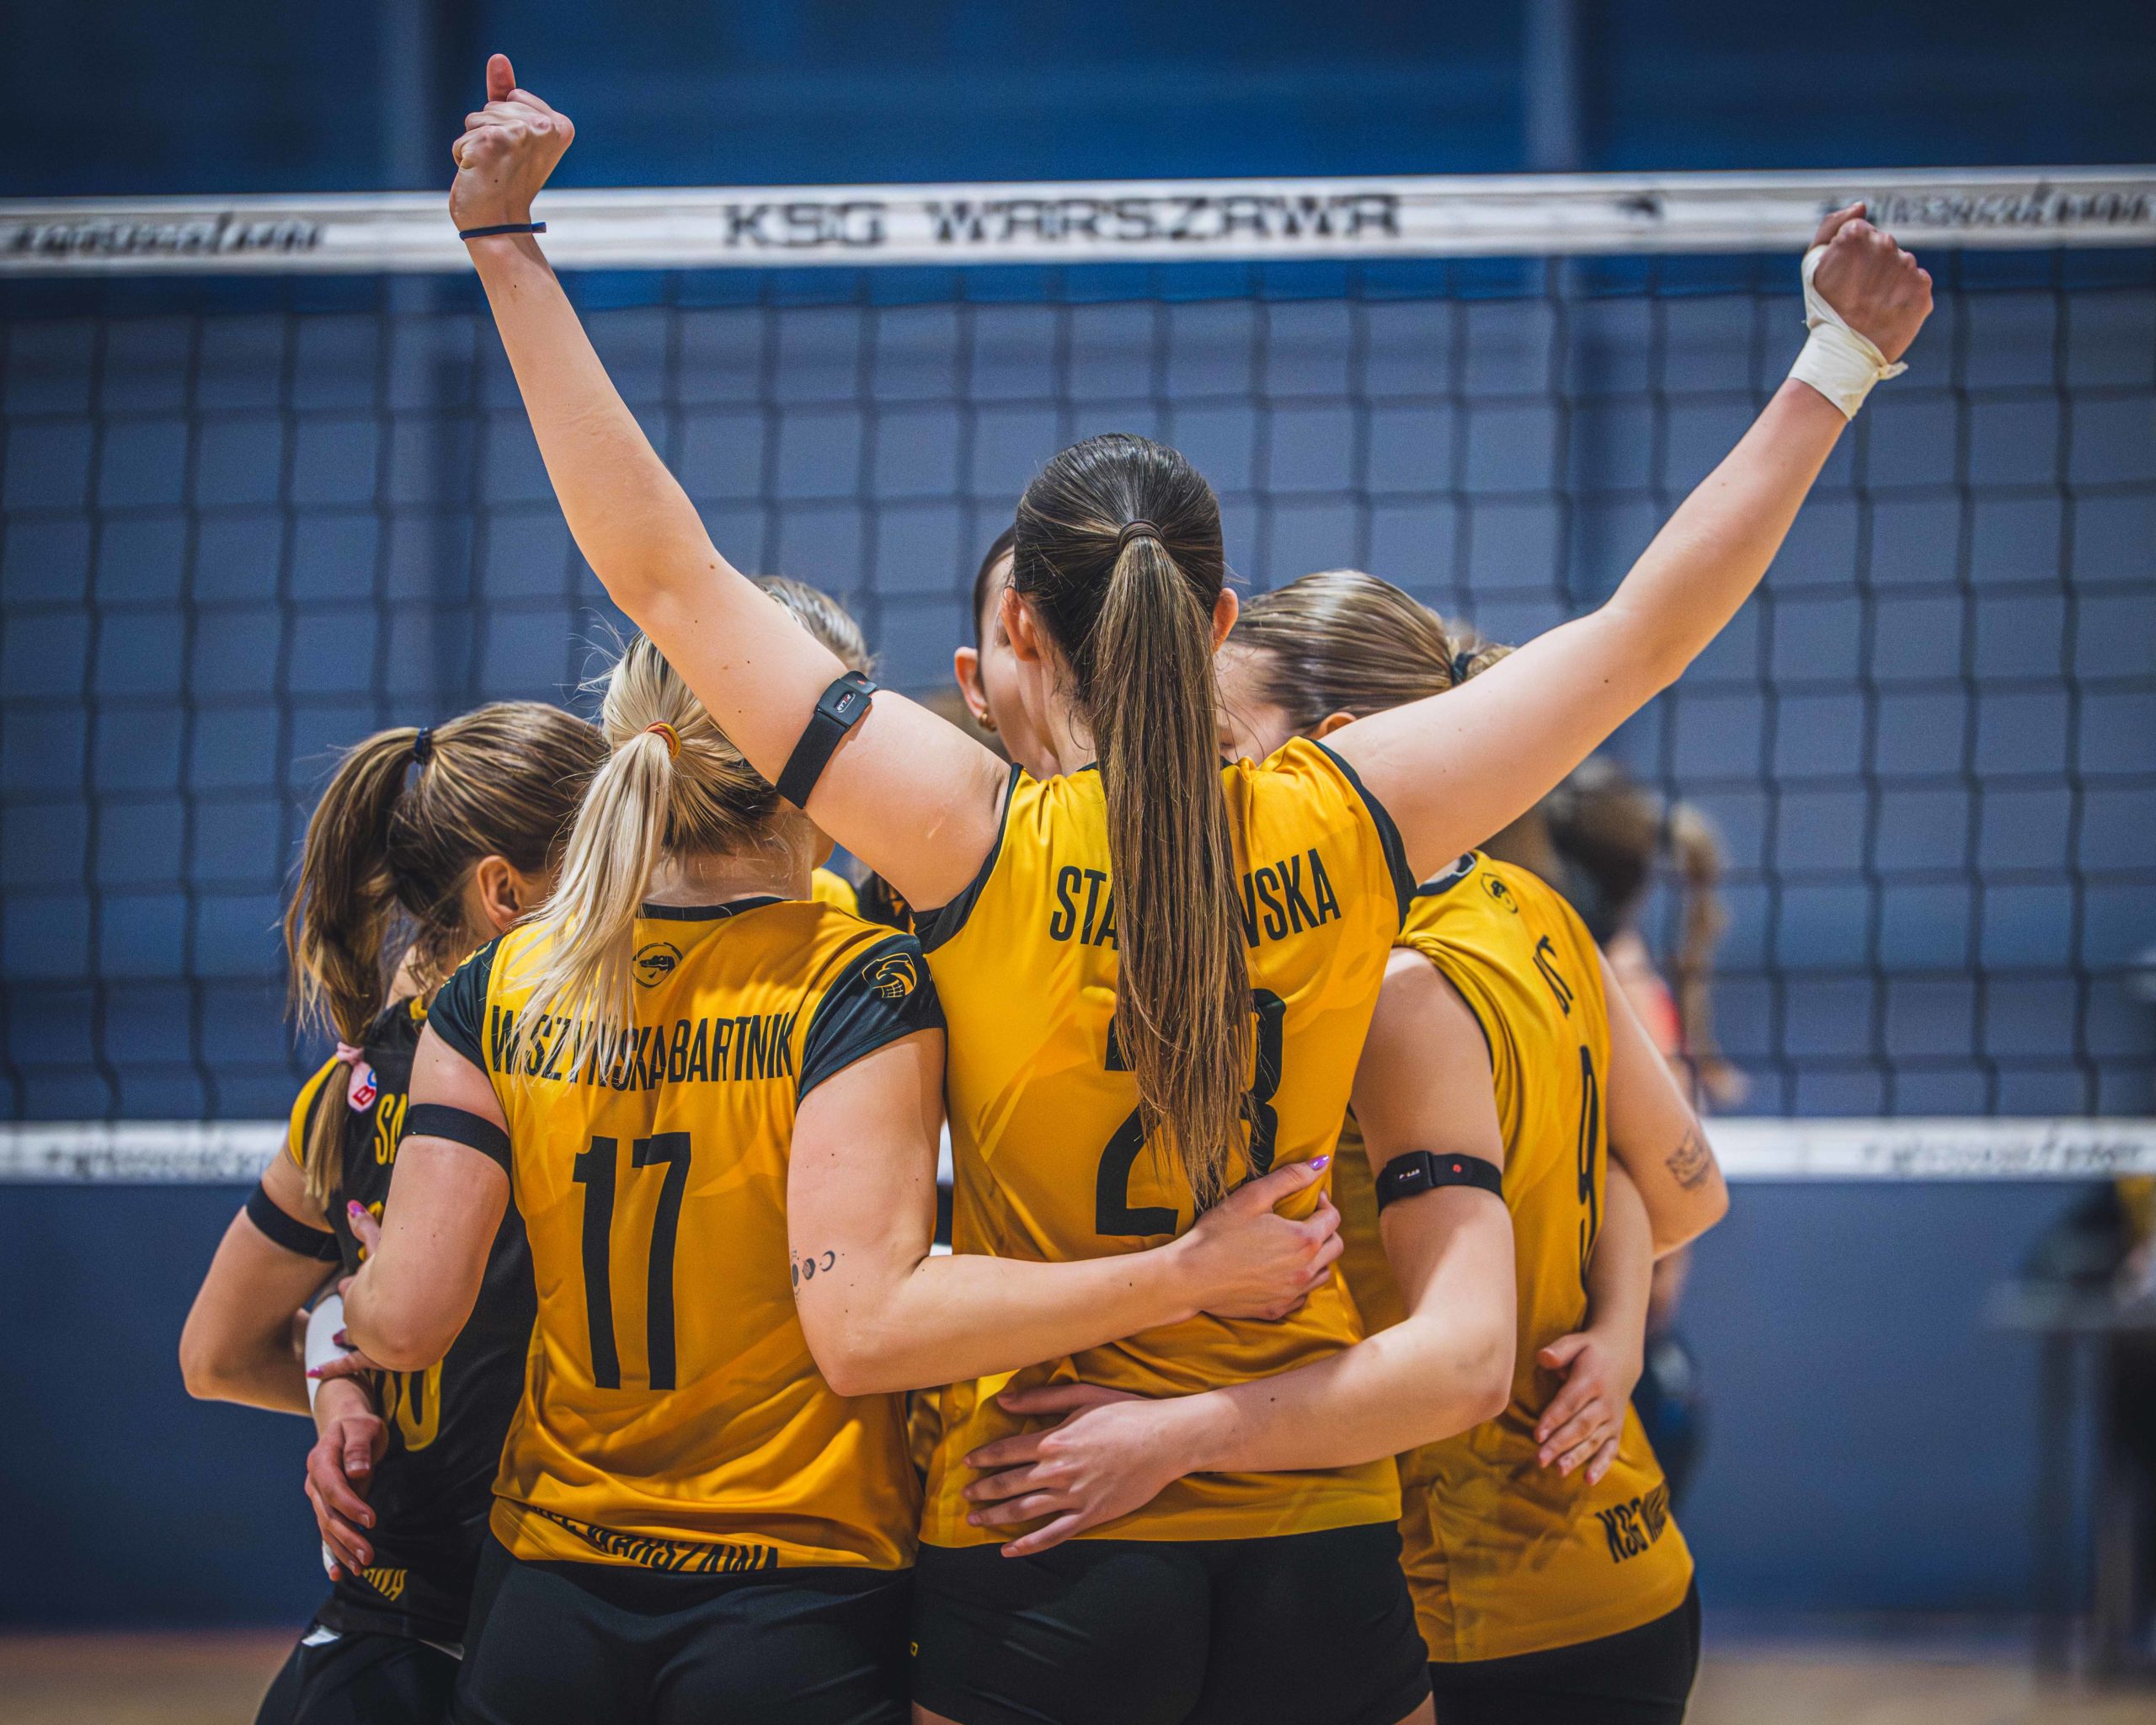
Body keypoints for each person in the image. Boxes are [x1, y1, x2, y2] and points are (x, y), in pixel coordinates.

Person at [442, 53, 1929, 1725]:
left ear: (1016, 631)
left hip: (1042, 1516)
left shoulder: (965, 834)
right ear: (1223, 623)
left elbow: (665, 573)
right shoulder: (1349, 813)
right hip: (1316, 1534)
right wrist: (1837, 360)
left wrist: (507, 247)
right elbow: (1641, 634)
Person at [334, 614, 1344, 1725]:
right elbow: (866, 1323)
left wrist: (348, 1320)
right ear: (810, 766)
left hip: (546, 1588)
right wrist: (1190, 1272)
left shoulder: (502, 983)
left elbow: (407, 1322)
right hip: (788, 1586)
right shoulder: (859, 978)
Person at [1197, 571, 1729, 1721]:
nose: (1206, 785)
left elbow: (1461, 1355)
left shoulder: (1372, 981)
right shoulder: (1533, 907)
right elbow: (1676, 1188)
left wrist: (1164, 1436)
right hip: (1629, 1557)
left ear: (1333, 746)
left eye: (1225, 748)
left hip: (1465, 1601)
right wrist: (1618, 1332)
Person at [179, 700, 608, 1724]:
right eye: (607, 863)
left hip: (394, 1618)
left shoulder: (347, 1084)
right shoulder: (570, 1083)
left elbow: (218, 1353)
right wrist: (354, 1356)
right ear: (505, 893)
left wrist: (339, 1378)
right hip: (543, 1613)